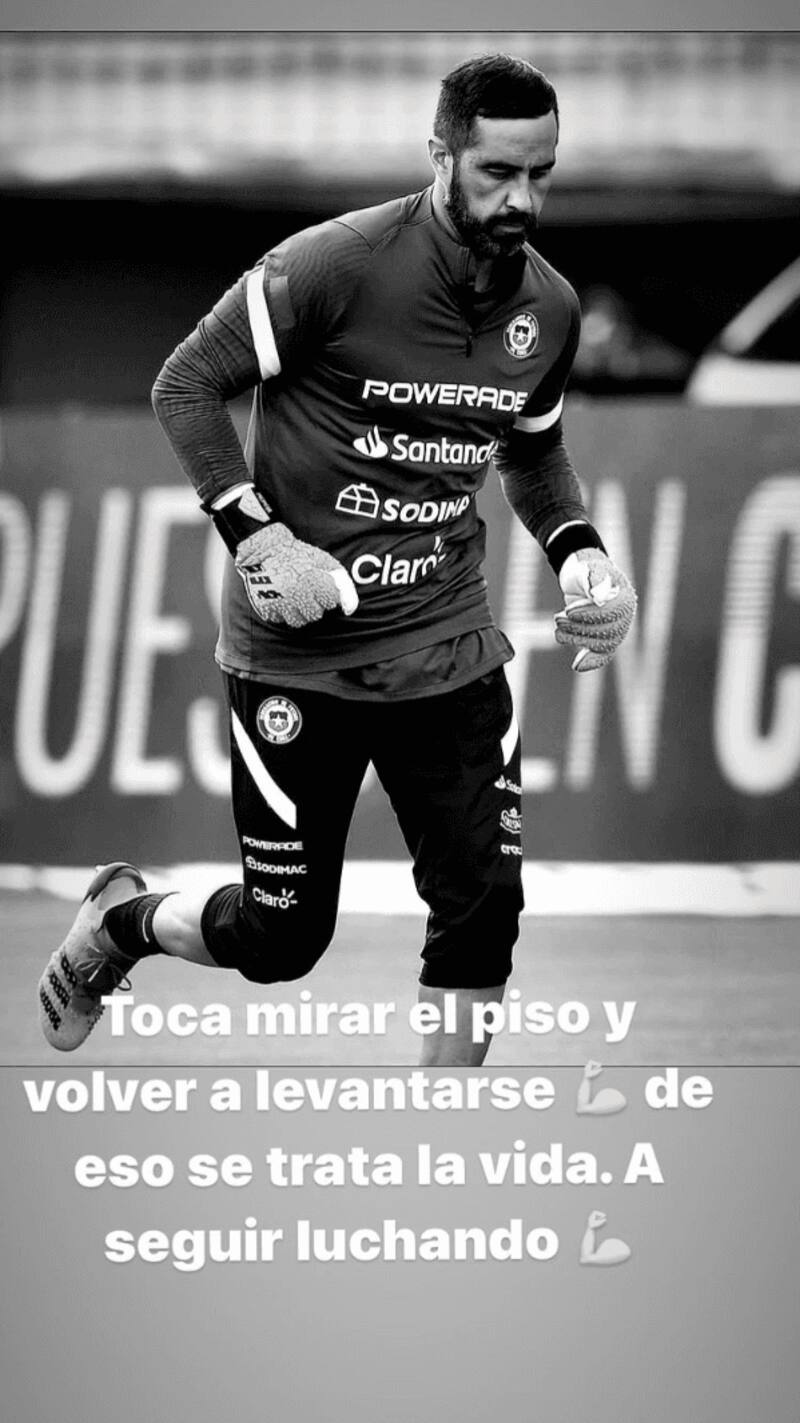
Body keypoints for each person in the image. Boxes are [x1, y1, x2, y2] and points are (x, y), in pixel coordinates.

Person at [37, 53, 636, 1065]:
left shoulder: (552, 309)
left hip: (447, 644)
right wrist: (257, 535)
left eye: (540, 173)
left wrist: (579, 553)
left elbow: (532, 453)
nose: (521, 199)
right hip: (296, 657)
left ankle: (441, 1138)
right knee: (280, 940)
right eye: (496, 172)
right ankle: (120, 921)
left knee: (484, 905)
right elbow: (185, 385)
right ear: (440, 155)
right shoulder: (334, 266)